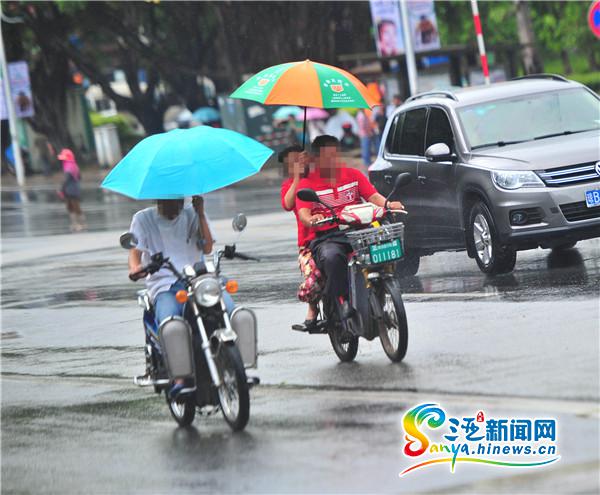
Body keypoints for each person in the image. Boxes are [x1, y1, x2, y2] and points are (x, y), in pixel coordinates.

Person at [128, 196, 230, 394]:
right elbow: (135, 255)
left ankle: (234, 363)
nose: (176, 205)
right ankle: (180, 377)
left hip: (197, 281)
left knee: (229, 308)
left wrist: (200, 213)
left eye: (178, 200)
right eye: (170, 200)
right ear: (159, 199)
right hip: (165, 285)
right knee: (170, 322)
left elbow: (207, 247)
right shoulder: (142, 219)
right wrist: (135, 269)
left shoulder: (193, 214)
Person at [296, 135, 404, 321]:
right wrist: (313, 218)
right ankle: (341, 299)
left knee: (384, 244)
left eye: (335, 155)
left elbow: (374, 197)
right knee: (332, 257)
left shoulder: (353, 175)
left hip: (358, 232)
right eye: (327, 156)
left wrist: (389, 204)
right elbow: (303, 215)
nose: (332, 160)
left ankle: (380, 286)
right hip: (327, 238)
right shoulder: (307, 184)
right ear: (316, 159)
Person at [279, 145, 323, 329]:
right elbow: (288, 203)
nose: (297, 165)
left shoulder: (321, 177)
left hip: (334, 233)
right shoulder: (289, 185)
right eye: (292, 164)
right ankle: (313, 308)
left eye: (300, 160)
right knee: (312, 277)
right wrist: (298, 177)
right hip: (309, 244)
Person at [57, 148, 86, 232]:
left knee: (73, 208)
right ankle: (77, 224)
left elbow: (66, 179)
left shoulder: (68, 167)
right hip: (74, 189)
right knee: (73, 207)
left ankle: (79, 224)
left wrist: (61, 189)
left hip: (70, 190)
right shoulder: (74, 166)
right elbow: (79, 177)